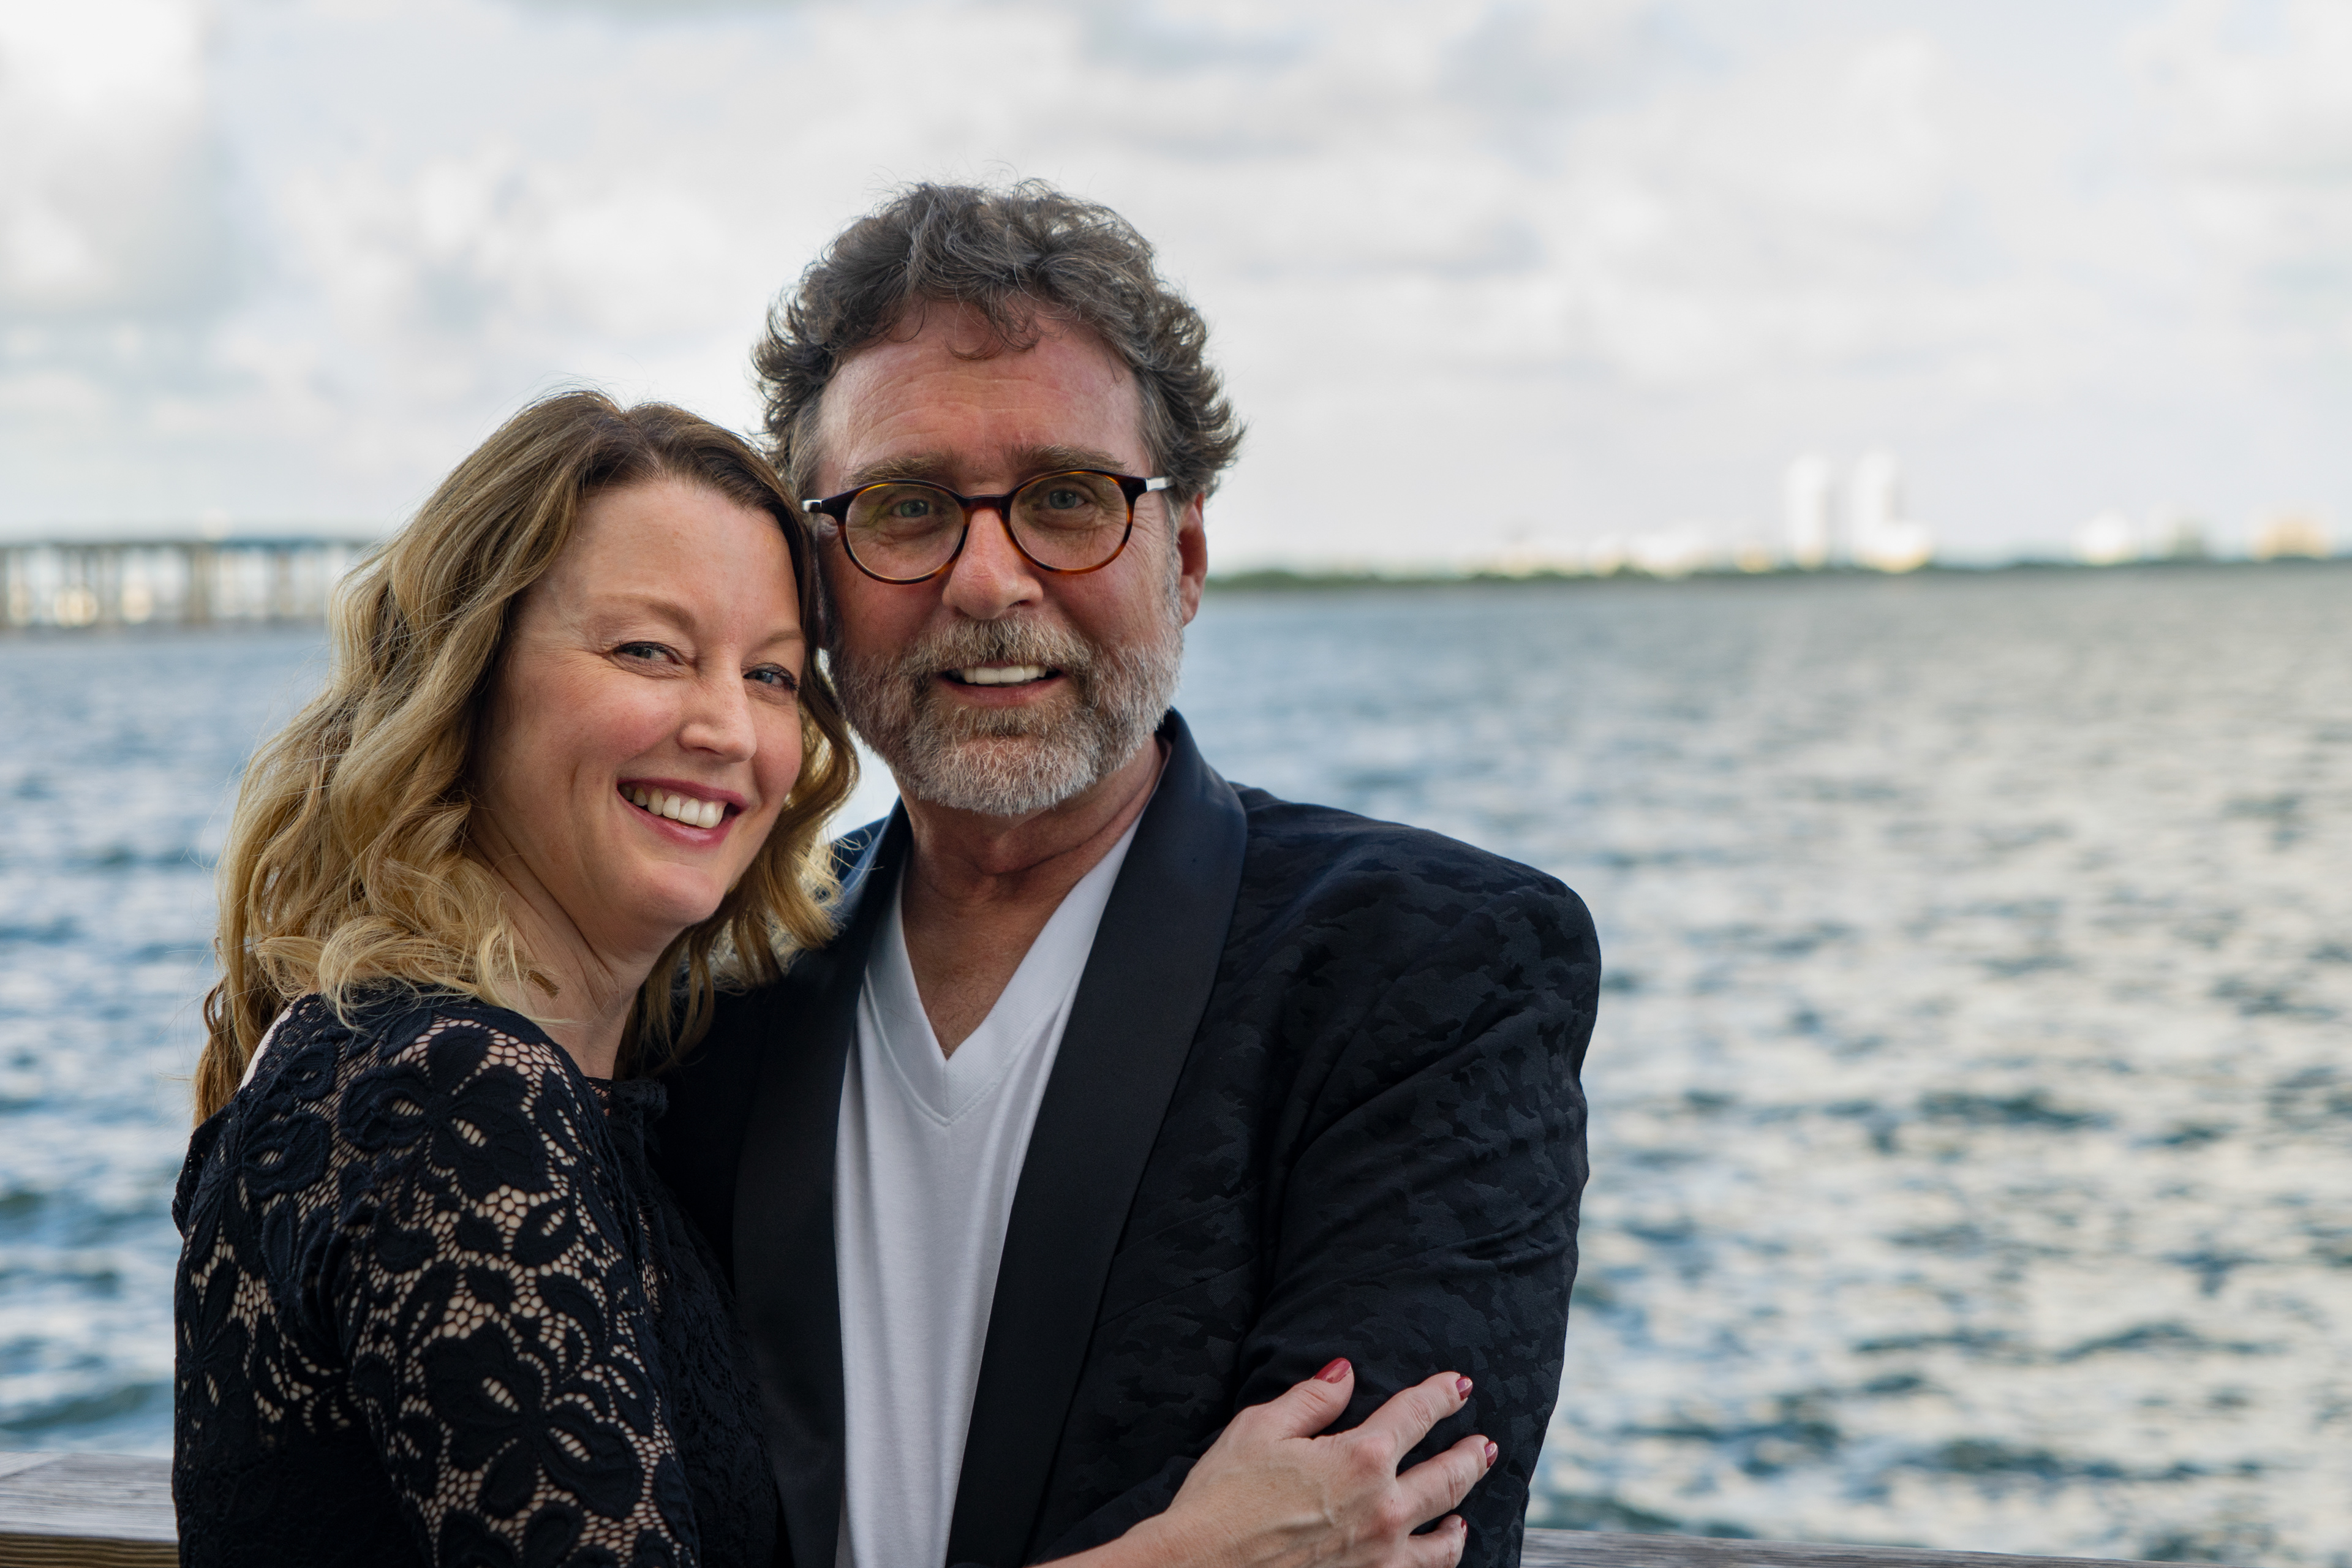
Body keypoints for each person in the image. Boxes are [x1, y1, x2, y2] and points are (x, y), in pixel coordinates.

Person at [171, 391, 1497, 1567]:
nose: (727, 729)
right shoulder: (454, 1096)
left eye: (769, 674)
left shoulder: (575, 1079)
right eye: (649, 651)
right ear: (468, 679)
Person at [653, 184, 1601, 1568]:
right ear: (819, 581)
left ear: (1187, 555)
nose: (989, 580)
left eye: (1067, 499)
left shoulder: (1436, 972)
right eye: (907, 507)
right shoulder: (717, 979)